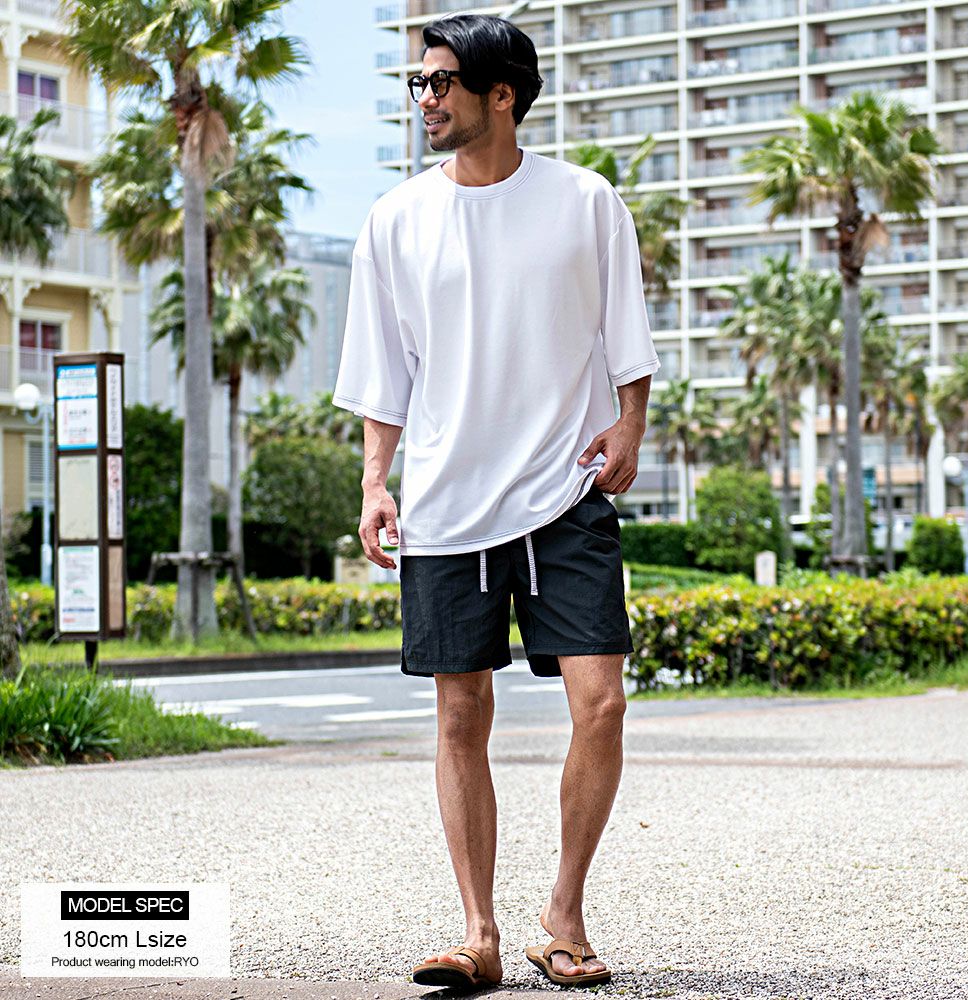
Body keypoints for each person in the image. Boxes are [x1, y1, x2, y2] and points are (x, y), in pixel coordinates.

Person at [332, 12, 660, 992]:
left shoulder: (585, 201)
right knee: (459, 713)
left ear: (502, 94)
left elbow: (627, 335)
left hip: (566, 491)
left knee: (601, 704)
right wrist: (375, 481)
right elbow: (384, 375)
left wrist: (629, 425)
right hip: (446, 504)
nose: (425, 99)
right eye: (419, 83)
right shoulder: (396, 219)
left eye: (442, 82)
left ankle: (563, 915)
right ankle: (478, 933)